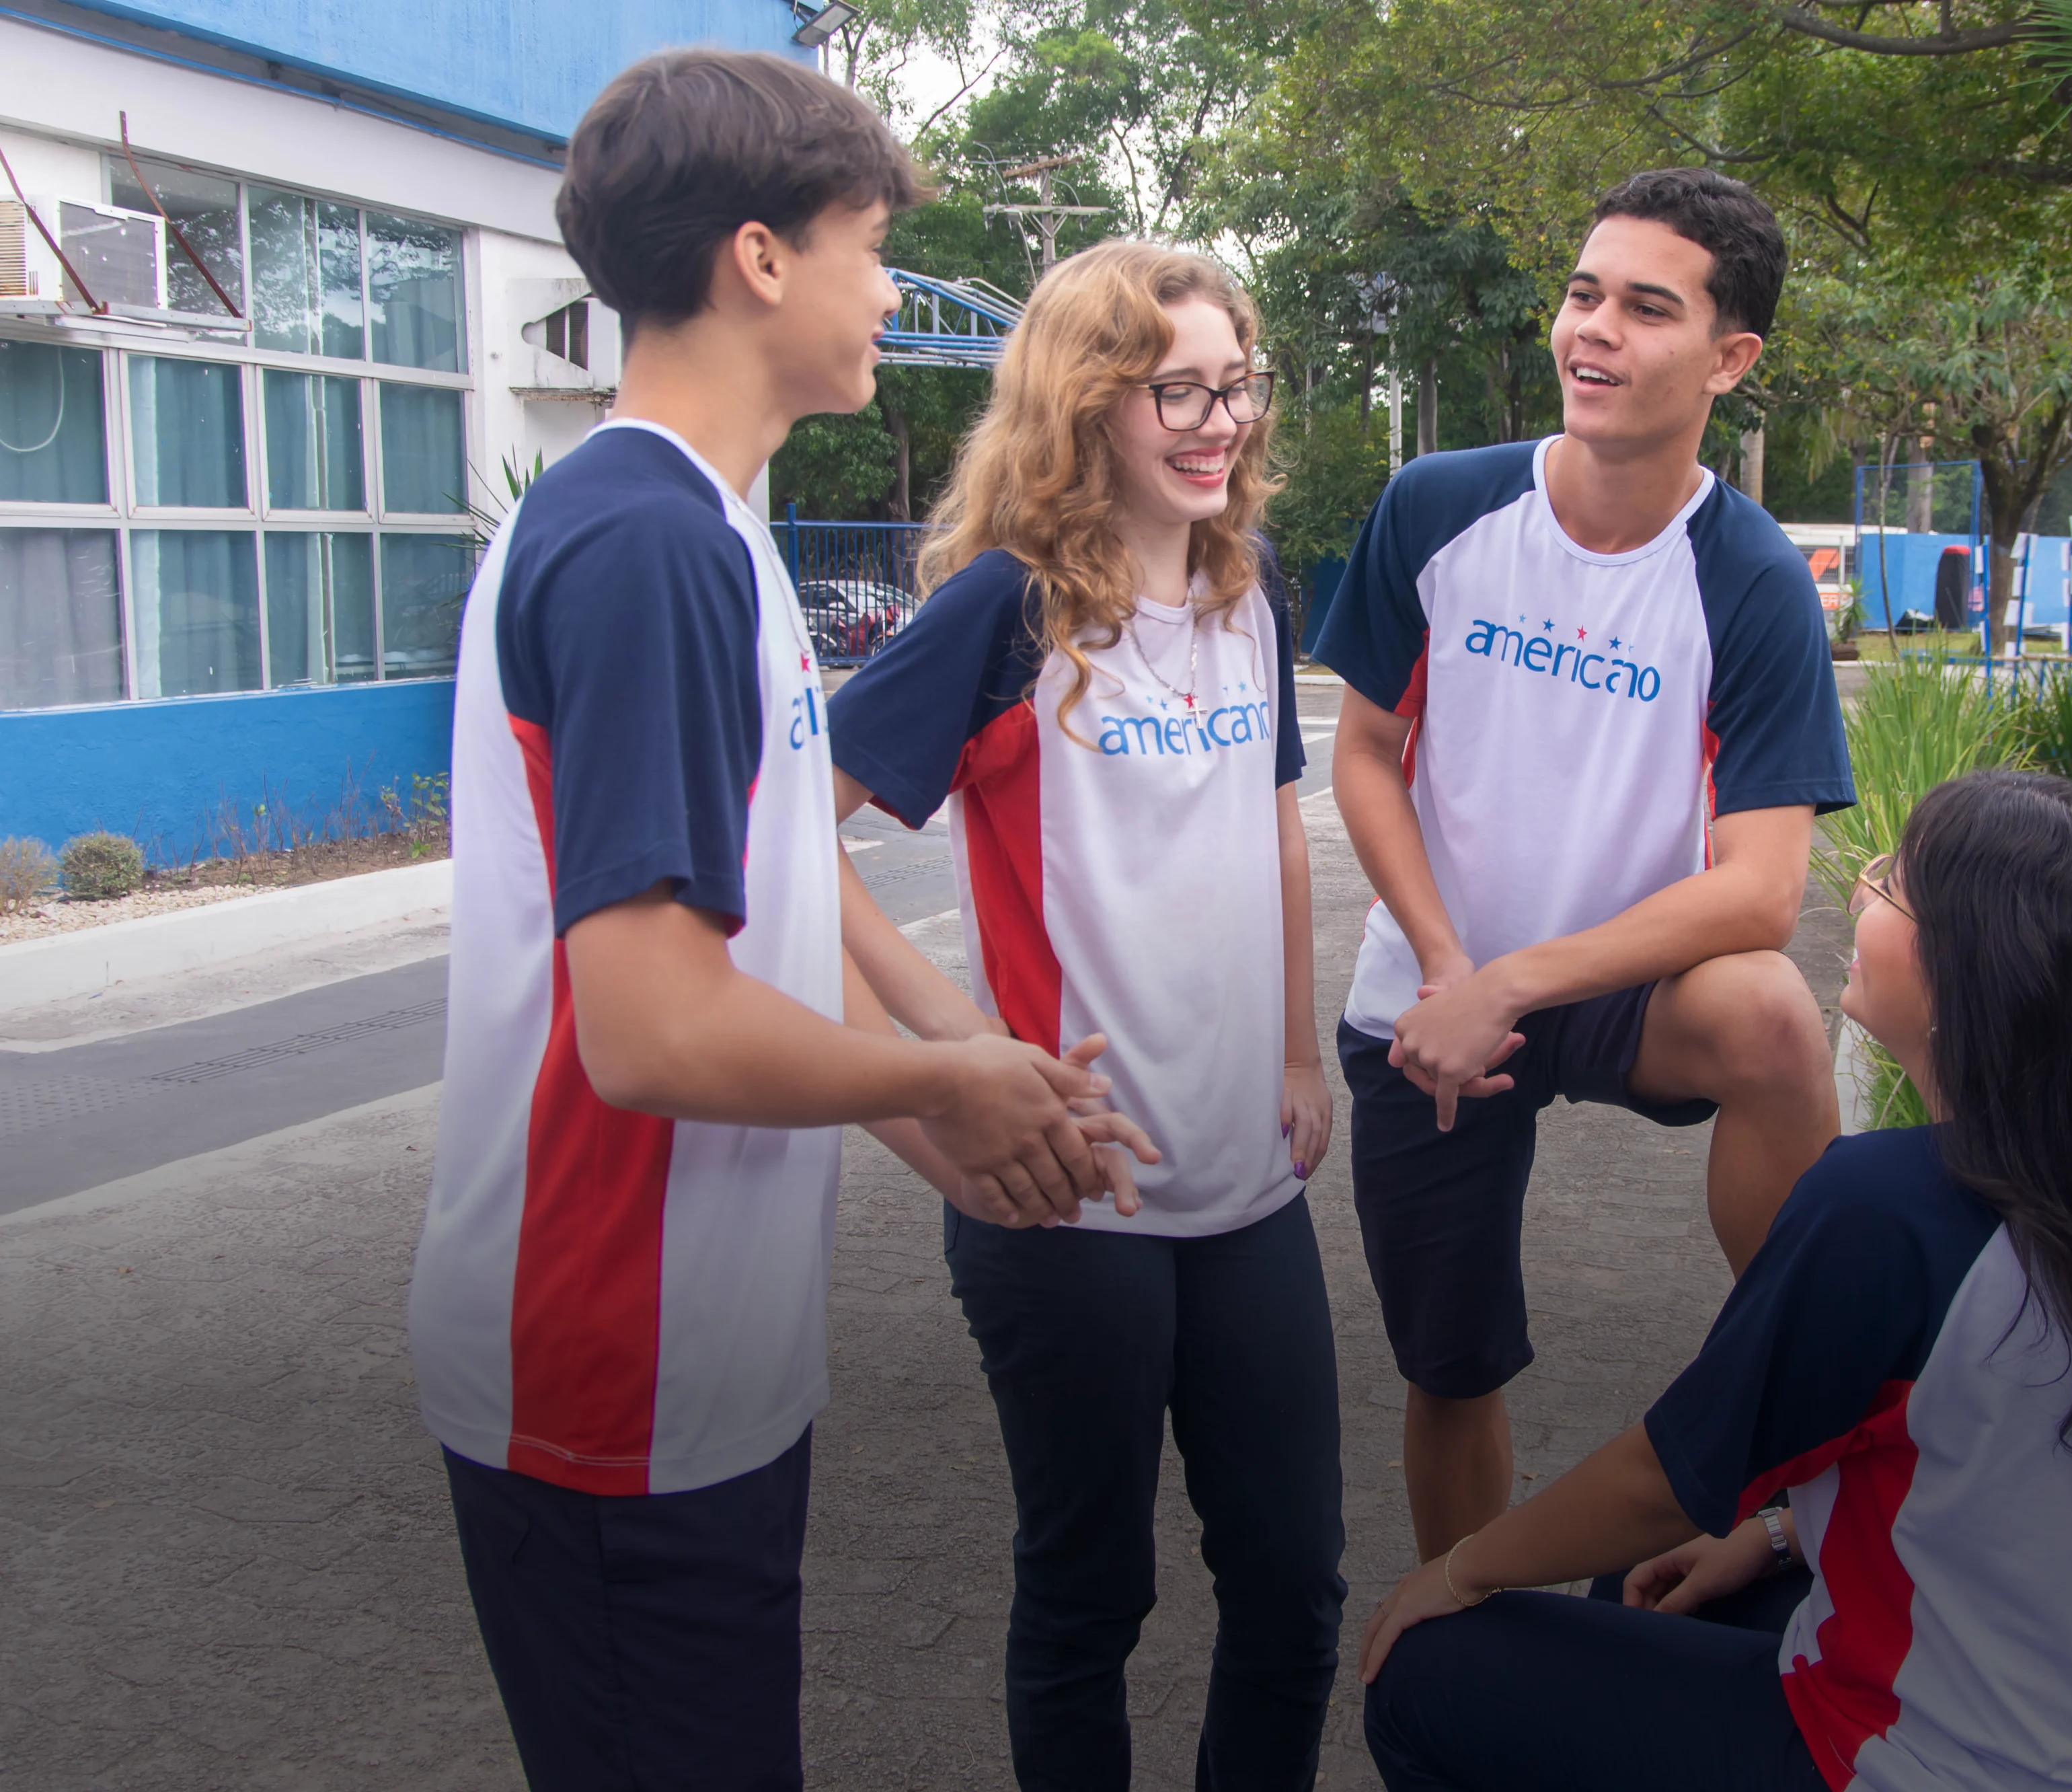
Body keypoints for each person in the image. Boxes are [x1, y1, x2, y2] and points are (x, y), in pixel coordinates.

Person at [408, 51, 1151, 1792]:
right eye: (871, 243)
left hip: (694, 1349)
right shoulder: (644, 544)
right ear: (761, 256)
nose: (892, 291)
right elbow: (653, 1022)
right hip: (607, 1356)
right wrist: (936, 1097)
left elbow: (768, 881)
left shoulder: (708, 525)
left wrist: (945, 1062)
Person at [1356, 770, 2072, 1792]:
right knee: (1661, 1581)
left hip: (1944, 1765)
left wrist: (1454, 1570)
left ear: (1983, 974)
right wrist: (1775, 1536)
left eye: (1898, 885)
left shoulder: (1890, 1211)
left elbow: (1662, 1483)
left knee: (1428, 1669)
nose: (1861, 888)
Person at [823, 240, 1345, 1791]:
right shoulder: (1008, 610)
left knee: (1293, 1587)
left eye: (1235, 384)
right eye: (1171, 388)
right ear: (1083, 402)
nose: (1218, 421)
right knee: (1088, 1596)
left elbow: (1272, 830)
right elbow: (776, 833)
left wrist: (1301, 1047)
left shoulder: (1253, 594)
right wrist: (950, 1055)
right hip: (1072, 1201)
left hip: (1250, 1187)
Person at [1313, 167, 1856, 1565]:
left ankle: (1805, 1401)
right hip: (1431, 996)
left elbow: (1761, 893)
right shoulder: (1439, 508)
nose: (1593, 332)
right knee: (1450, 1371)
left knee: (1775, 1017)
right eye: (1583, 293)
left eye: (1646, 308)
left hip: (1619, 985)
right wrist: (1448, 964)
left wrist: (1523, 978)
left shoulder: (1750, 579)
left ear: (1731, 359)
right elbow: (1366, 752)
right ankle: (1462, 1623)